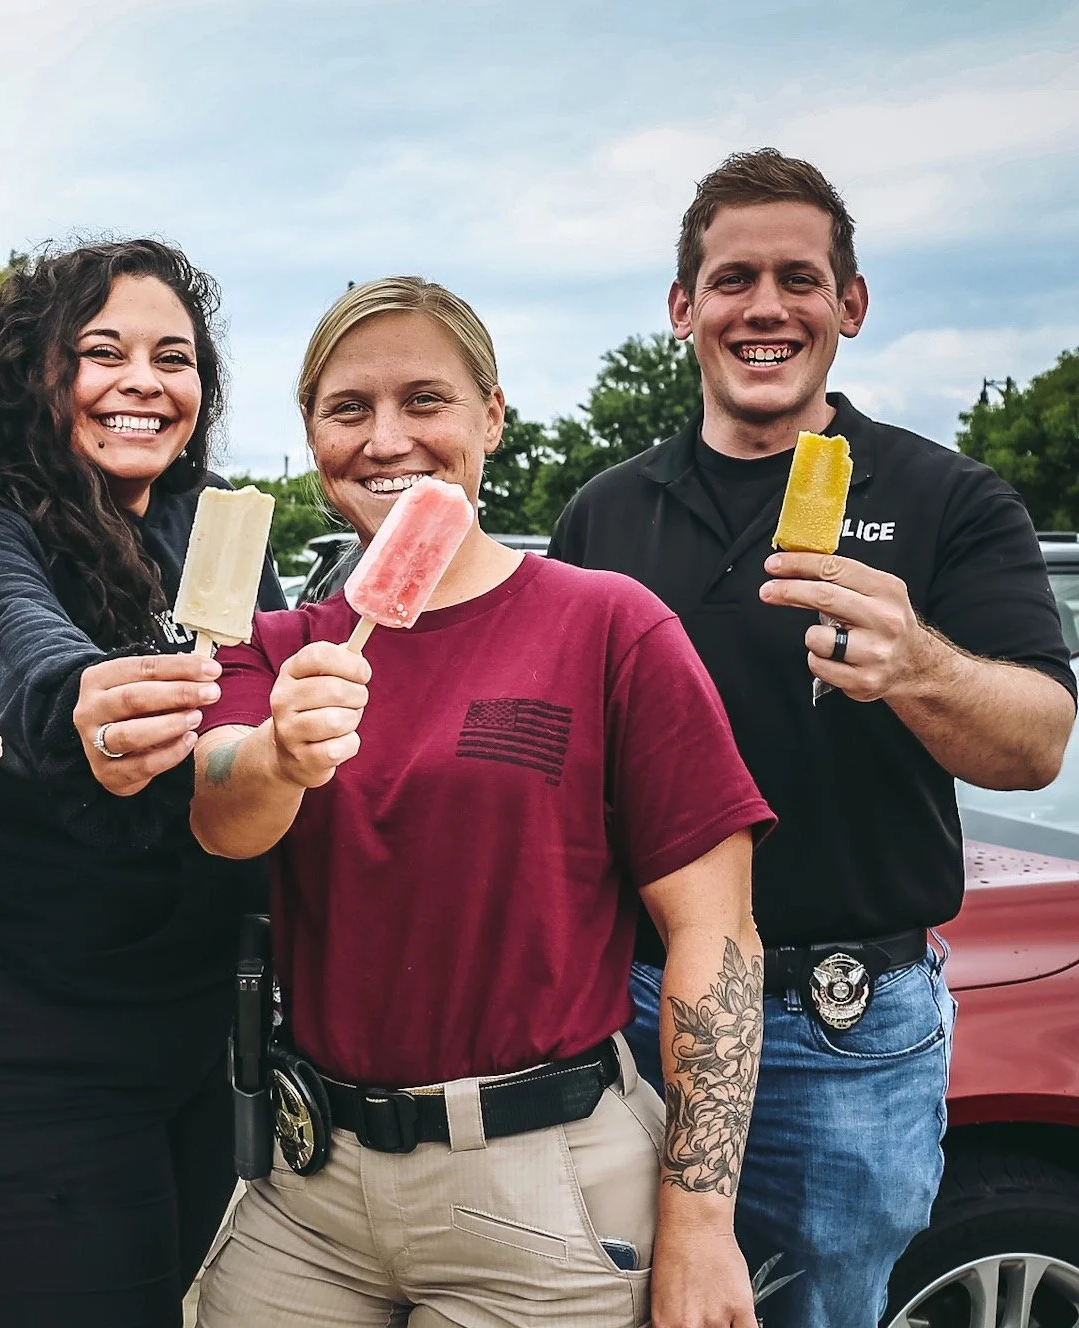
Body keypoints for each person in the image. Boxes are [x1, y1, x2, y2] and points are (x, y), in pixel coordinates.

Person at [549, 148, 1077, 1327]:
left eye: (799, 276)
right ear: (683, 308)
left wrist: (916, 664)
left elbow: (1036, 741)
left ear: (849, 304)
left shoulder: (947, 497)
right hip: (630, 1007)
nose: (765, 306)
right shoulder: (605, 511)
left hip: (845, 1028)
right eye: (732, 278)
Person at [189, 277, 774, 1328]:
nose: (385, 438)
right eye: (347, 408)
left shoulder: (607, 625)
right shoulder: (273, 645)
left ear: (490, 417)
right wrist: (278, 752)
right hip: (305, 1188)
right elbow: (220, 810)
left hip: (540, 1184)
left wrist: (698, 1217)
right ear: (311, 433)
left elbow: (715, 934)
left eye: (425, 399)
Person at [0, 239, 284, 1328]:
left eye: (174, 356)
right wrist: (86, 703)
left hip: (191, 1038)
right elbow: (16, 648)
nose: (143, 381)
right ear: (32, 375)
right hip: (25, 1049)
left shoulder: (210, 537)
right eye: (100, 351)